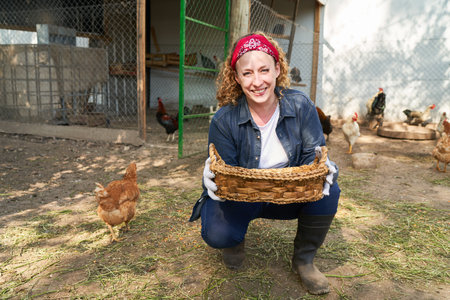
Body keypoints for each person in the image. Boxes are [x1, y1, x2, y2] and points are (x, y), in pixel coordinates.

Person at [189, 31, 340, 295]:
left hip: (288, 195)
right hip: (243, 198)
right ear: (236, 78)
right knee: (217, 233)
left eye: (264, 70)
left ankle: (304, 261)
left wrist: (322, 168)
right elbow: (228, 177)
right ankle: (234, 240)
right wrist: (213, 176)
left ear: (277, 69)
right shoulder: (224, 120)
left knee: (328, 189)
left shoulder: (301, 106)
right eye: (247, 73)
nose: (257, 81)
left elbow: (311, 158)